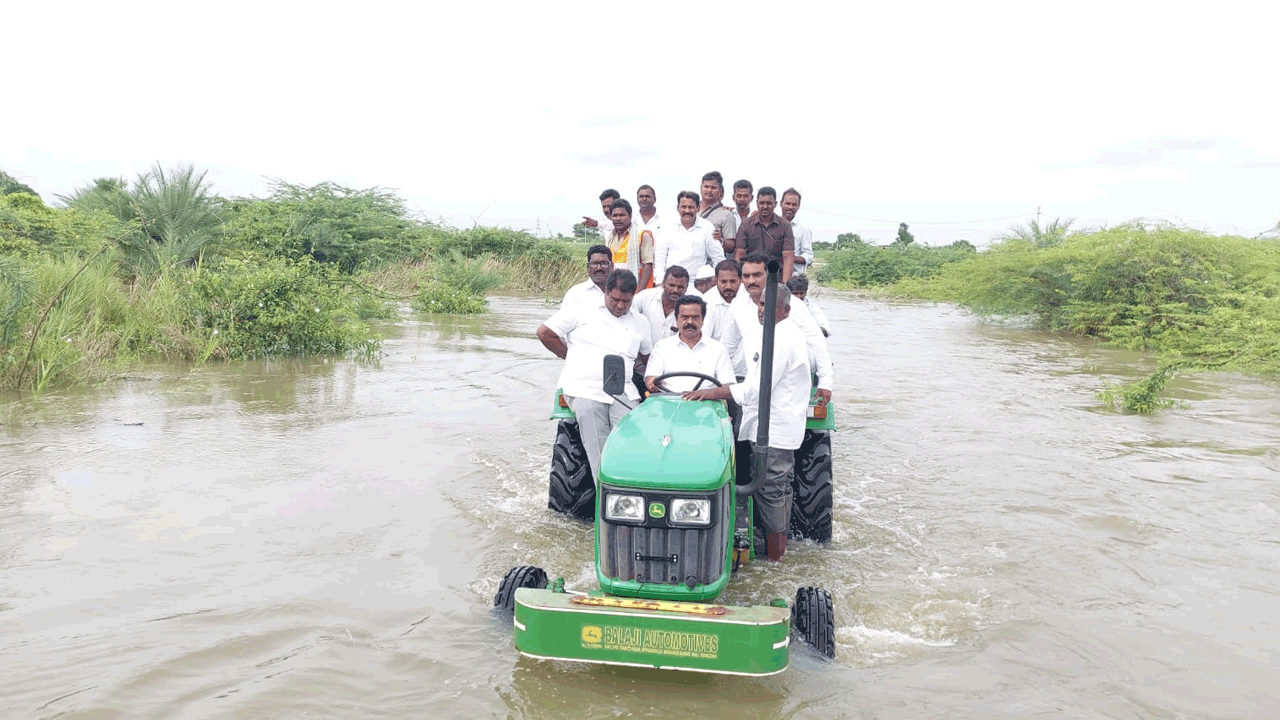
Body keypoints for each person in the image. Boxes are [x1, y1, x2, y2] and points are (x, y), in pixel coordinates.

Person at [683, 283, 811, 562]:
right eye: (761, 304)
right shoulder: (770, 335)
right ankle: (774, 548)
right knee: (776, 490)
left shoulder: (782, 339)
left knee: (772, 492)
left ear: (786, 310)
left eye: (770, 305)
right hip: (768, 425)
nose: (762, 310)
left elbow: (754, 390)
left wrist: (711, 392)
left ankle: (777, 559)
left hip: (774, 430)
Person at [537, 269, 652, 482]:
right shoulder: (580, 310)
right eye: (615, 299)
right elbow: (544, 333)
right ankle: (607, 502)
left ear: (633, 296)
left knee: (631, 441)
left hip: (623, 391)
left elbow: (647, 358)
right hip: (584, 389)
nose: (620, 306)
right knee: (598, 448)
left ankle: (632, 496)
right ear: (606, 291)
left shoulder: (641, 322)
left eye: (626, 301)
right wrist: (569, 357)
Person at [731, 254, 832, 406]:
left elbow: (816, 342)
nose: (751, 281)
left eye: (757, 275)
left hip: (788, 387)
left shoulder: (793, 305)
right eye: (746, 276)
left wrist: (825, 383)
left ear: (770, 276)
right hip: (753, 384)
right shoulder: (737, 306)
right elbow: (728, 346)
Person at [644, 294, 734, 394]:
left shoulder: (718, 349)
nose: (690, 322)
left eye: (695, 318)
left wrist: (707, 394)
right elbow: (650, 378)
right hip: (668, 402)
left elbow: (728, 386)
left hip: (706, 403)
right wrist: (651, 382)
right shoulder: (662, 347)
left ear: (703, 320)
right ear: (676, 319)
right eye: (685, 317)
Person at [655, 190, 724, 282]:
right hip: (671, 282)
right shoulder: (667, 227)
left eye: (691, 207)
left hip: (696, 283)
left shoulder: (707, 227)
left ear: (698, 208)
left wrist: (719, 281)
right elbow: (660, 258)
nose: (687, 211)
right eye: (683, 207)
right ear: (677, 208)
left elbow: (718, 258)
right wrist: (660, 282)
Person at [734, 187, 795, 283]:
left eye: (769, 203)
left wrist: (785, 284)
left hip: (776, 278)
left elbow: (788, 257)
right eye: (761, 203)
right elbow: (740, 255)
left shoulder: (785, 226)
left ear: (775, 204)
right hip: (752, 278)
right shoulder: (746, 225)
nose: (765, 206)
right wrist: (741, 282)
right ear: (757, 203)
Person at [702, 258, 745, 378]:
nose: (728, 286)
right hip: (716, 370)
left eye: (733, 281)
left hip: (745, 369)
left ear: (740, 280)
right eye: (723, 281)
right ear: (716, 281)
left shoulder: (749, 298)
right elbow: (704, 340)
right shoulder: (706, 301)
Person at [603, 198, 656, 289]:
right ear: (611, 217)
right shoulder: (610, 237)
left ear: (630, 216)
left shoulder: (642, 235)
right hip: (615, 287)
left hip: (635, 286)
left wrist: (639, 291)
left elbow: (647, 265)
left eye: (622, 215)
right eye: (615, 215)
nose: (618, 219)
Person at [631, 265, 690, 343]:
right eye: (671, 285)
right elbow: (628, 315)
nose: (675, 290)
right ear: (663, 283)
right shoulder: (645, 297)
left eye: (680, 287)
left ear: (686, 288)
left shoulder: (690, 309)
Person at [560, 244, 613, 310]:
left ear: (612, 266)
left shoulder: (623, 291)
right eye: (594, 263)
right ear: (588, 267)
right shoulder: (575, 294)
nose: (599, 268)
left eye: (603, 263)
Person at [698, 171, 738, 257]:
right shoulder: (690, 210)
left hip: (712, 264)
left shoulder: (726, 215)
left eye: (713, 187)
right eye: (706, 186)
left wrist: (720, 240)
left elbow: (730, 246)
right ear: (701, 188)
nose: (709, 190)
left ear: (720, 191)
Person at [779, 188, 814, 276]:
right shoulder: (772, 224)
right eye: (787, 203)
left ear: (798, 206)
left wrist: (790, 258)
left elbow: (808, 256)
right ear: (781, 203)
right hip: (772, 274)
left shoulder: (803, 229)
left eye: (794, 204)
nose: (790, 207)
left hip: (794, 276)